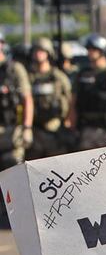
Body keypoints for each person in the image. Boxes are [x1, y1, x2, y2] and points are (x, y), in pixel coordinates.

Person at [0, 32, 33, 225]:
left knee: (13, 166)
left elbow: (27, 98)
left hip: (13, 128)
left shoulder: (14, 69)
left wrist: (27, 126)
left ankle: (20, 214)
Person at [26, 37, 73, 160]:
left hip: (55, 128)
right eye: (36, 51)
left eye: (42, 51)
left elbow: (70, 100)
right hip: (35, 129)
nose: (38, 54)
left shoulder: (58, 77)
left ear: (48, 53)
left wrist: (68, 121)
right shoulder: (29, 77)